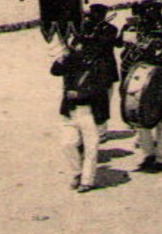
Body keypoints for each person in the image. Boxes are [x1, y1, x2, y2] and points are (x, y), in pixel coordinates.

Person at [51, 10, 119, 193]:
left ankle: (87, 180)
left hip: (88, 110)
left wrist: (81, 95)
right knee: (67, 144)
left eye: (85, 45)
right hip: (70, 110)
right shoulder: (71, 60)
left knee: (91, 146)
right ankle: (76, 172)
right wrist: (62, 57)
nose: (81, 48)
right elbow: (55, 71)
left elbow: (100, 88)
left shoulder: (99, 65)